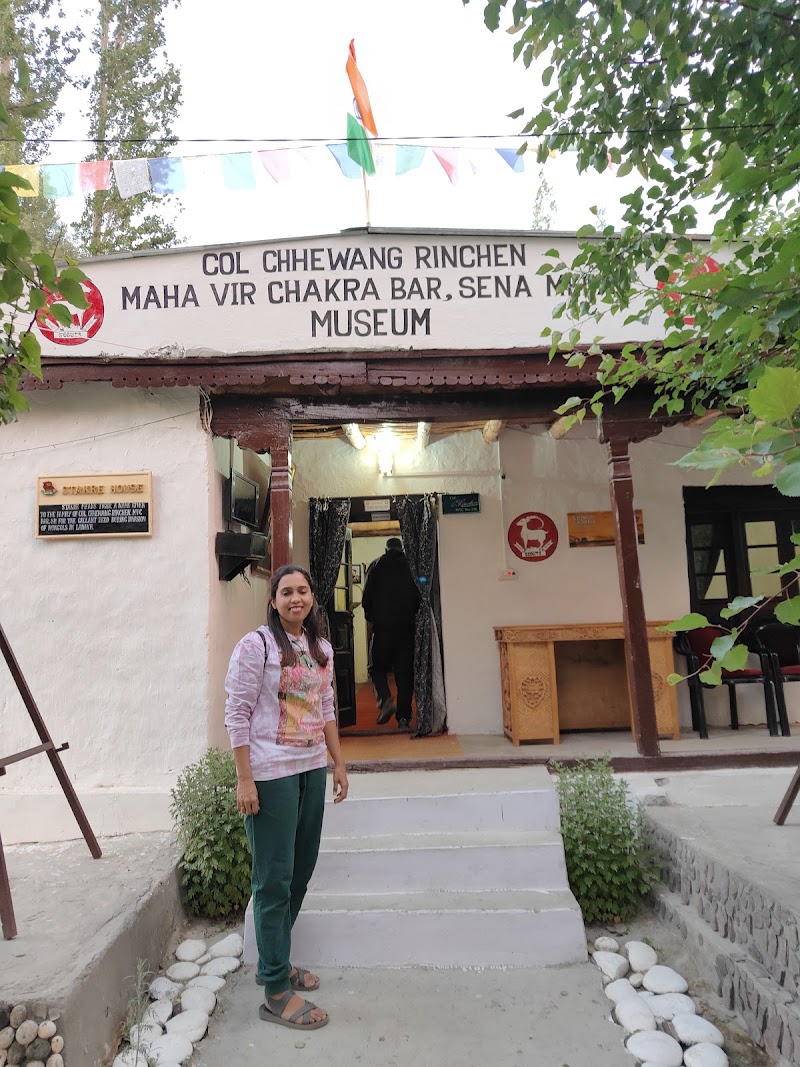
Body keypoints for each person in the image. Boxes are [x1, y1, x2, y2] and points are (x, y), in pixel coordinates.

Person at [224, 564, 348, 1031]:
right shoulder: (255, 645)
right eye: (286, 592)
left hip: (311, 768)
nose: (296, 598)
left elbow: (327, 708)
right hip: (270, 773)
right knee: (273, 877)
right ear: (273, 600)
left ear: (313, 597)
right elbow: (236, 712)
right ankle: (276, 987)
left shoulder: (320, 648)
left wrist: (338, 762)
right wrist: (244, 778)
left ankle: (275, 960)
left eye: (303, 591)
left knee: (301, 869)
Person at [361, 537, 420, 731]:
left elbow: (366, 598)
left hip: (383, 628)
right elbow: (419, 595)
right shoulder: (412, 566)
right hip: (407, 628)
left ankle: (385, 699)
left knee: (376, 668)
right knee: (405, 674)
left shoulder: (376, 566)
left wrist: (372, 618)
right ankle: (403, 718)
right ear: (402, 548)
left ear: (386, 549)